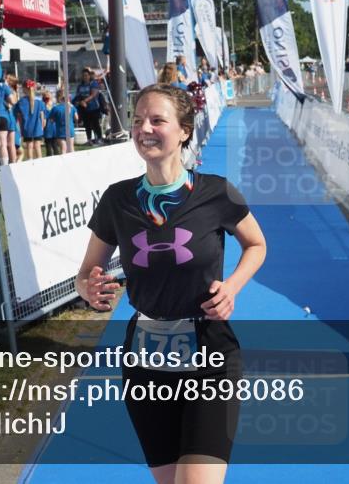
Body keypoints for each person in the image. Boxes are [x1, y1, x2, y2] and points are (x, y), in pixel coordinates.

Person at [76, 85, 266, 483]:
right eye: (138, 119)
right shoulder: (118, 199)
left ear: (183, 131)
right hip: (144, 360)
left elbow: (256, 244)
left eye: (157, 120)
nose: (144, 128)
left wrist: (231, 287)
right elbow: (85, 273)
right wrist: (87, 289)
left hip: (211, 354)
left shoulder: (216, 192)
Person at [15, 81, 47, 160]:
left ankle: (30, 162)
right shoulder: (40, 102)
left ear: (25, 89)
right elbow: (42, 117)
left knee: (29, 146)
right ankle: (40, 162)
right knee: (37, 146)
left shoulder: (21, 102)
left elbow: (19, 117)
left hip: (26, 127)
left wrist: (21, 128)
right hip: (37, 127)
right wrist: (42, 126)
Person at [74, 68, 104, 145]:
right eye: (83, 75)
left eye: (86, 75)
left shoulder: (93, 83)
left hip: (94, 107)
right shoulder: (80, 86)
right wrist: (80, 102)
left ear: (89, 76)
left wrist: (85, 101)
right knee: (87, 124)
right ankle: (89, 139)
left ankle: (99, 138)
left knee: (95, 124)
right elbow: (78, 95)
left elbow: (94, 94)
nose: (85, 77)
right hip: (84, 108)